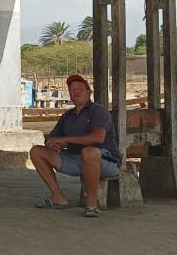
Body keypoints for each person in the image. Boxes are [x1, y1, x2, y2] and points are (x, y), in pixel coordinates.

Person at [29, 74, 122, 218]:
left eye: (80, 89)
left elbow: (98, 138)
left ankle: (91, 203)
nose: (76, 92)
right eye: (72, 90)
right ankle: (58, 197)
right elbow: (53, 137)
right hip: (75, 160)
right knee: (36, 152)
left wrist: (66, 139)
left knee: (89, 152)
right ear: (70, 95)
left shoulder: (98, 110)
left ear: (88, 92)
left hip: (104, 161)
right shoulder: (67, 116)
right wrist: (53, 144)